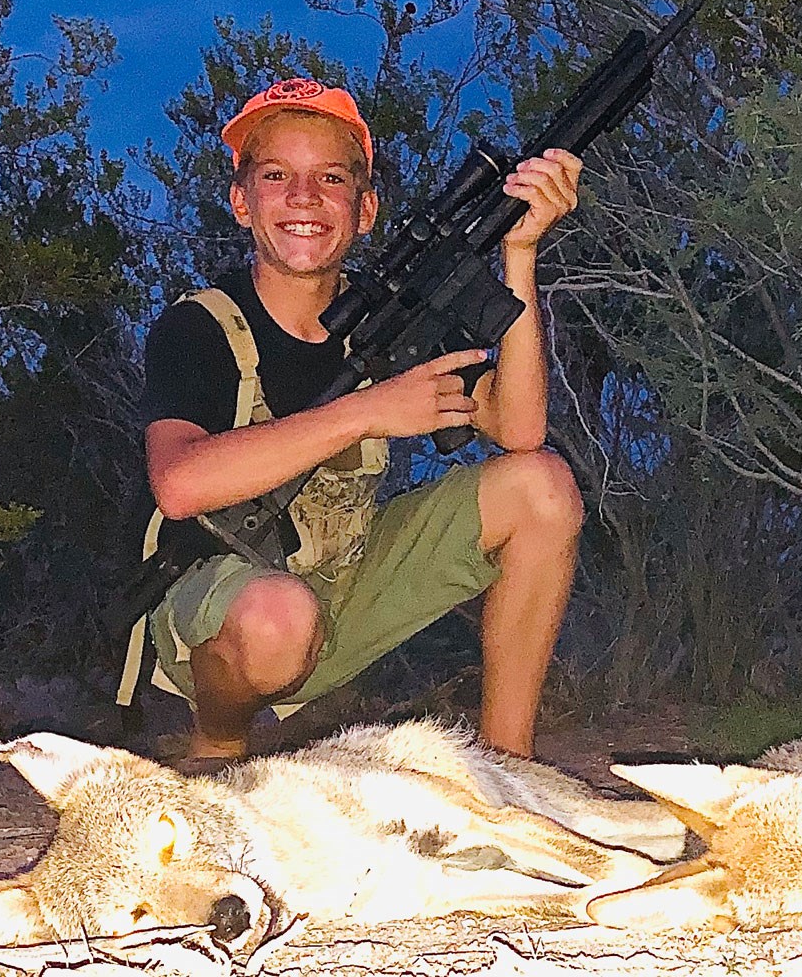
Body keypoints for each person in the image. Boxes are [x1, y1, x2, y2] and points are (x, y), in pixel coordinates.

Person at [131, 77, 583, 766]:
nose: (304, 198)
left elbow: (518, 431)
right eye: (276, 175)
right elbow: (180, 485)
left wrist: (518, 255)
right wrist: (367, 411)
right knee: (278, 617)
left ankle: (509, 772)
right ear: (241, 203)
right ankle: (218, 748)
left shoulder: (391, 316)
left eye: (331, 178)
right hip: (230, 612)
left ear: (365, 210)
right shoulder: (199, 327)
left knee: (543, 487)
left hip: (348, 582)